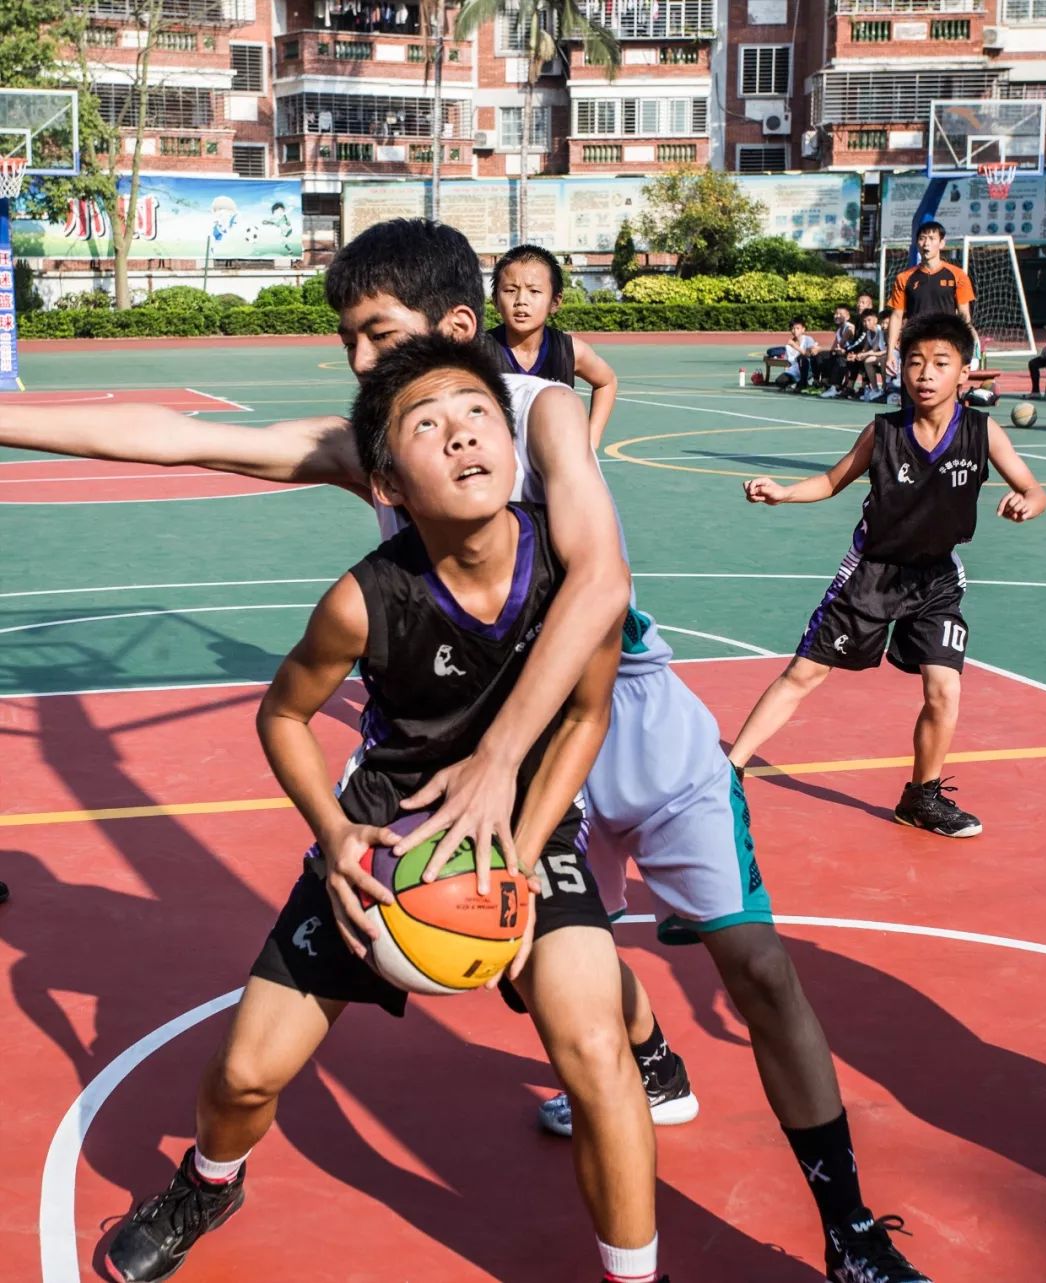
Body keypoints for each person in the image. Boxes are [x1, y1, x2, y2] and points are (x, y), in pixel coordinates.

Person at [1, 220, 935, 1283]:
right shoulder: (386, 443)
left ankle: (848, 1226)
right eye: (351, 342)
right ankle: (636, 1053)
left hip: (616, 727)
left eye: (375, 334)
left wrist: (504, 773)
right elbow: (180, 435)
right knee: (576, 980)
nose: (359, 361)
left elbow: (600, 586)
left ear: (456, 326)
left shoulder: (540, 415)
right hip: (492, 765)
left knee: (753, 971)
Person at [103, 335, 664, 1283]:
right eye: (427, 426)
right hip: (386, 835)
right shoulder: (365, 601)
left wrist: (520, 859)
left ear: (514, 443)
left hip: (529, 825)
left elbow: (586, 715)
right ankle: (209, 1179)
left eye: (478, 414)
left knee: (598, 1049)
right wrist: (332, 834)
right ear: (387, 484)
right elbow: (282, 713)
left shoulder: (575, 575)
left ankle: (634, 1274)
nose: (462, 436)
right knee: (245, 1075)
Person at [729, 313, 1046, 838]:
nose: (925, 373)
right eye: (916, 362)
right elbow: (833, 481)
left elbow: (1036, 490)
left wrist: (1026, 503)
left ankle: (921, 797)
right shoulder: (883, 432)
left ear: (964, 374)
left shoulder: (981, 432)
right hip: (873, 573)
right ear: (901, 370)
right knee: (806, 673)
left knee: (944, 688)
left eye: (941, 364)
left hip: (937, 578)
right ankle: (730, 768)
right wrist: (784, 492)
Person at [486, 243, 618, 448]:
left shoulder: (569, 350)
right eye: (510, 290)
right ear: (495, 300)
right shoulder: (477, 352)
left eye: (534, 291)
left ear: (555, 302)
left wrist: (591, 439)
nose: (521, 301)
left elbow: (606, 382)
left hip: (553, 468)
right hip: (500, 467)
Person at [885, 221, 977, 380]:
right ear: (917, 243)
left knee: (944, 398)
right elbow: (896, 316)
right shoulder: (904, 278)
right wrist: (890, 353)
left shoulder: (958, 276)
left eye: (931, 238)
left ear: (942, 243)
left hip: (945, 345)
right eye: (922, 238)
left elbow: (964, 316)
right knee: (911, 396)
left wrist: (966, 348)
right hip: (915, 344)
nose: (926, 243)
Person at [817, 305, 858, 398]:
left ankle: (835, 387)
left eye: (841, 314)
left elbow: (841, 345)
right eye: (836, 313)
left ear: (847, 317)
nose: (837, 316)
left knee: (838, 358)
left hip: (850, 354)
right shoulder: (839, 329)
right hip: (841, 352)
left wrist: (836, 351)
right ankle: (824, 382)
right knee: (821, 355)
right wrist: (818, 350)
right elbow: (834, 348)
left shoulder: (849, 328)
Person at [774, 317, 818, 393]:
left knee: (801, 358)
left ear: (803, 329)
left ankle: (803, 383)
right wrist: (786, 373)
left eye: (797, 328)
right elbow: (788, 363)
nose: (795, 331)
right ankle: (796, 382)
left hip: (808, 368)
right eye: (793, 328)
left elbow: (808, 354)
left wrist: (795, 346)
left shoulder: (808, 339)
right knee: (779, 381)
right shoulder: (788, 345)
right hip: (794, 371)